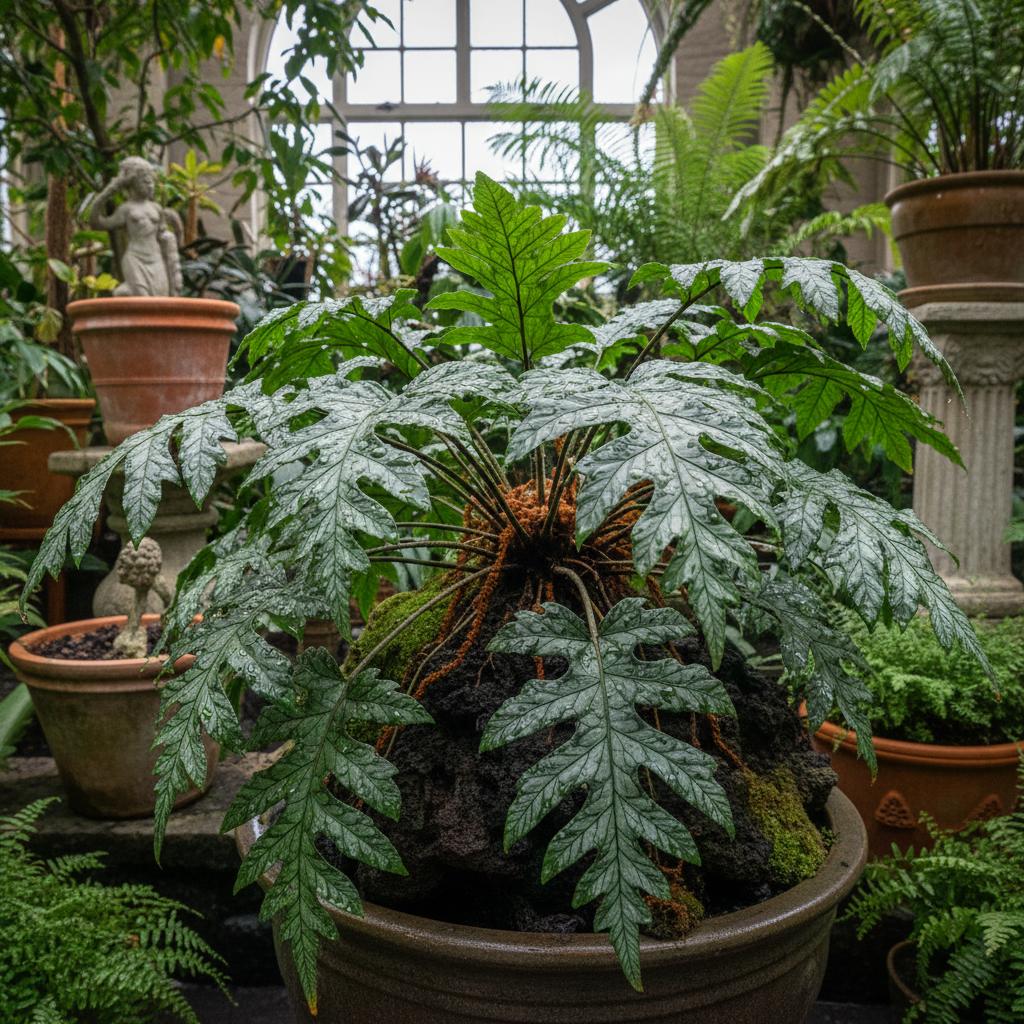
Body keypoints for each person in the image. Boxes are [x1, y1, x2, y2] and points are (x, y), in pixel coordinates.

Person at [87, 157, 183, 296]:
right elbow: (97, 222)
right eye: (144, 180)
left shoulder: (156, 208)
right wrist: (112, 189)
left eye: (151, 180)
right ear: (131, 183)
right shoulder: (126, 209)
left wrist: (174, 240)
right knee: (142, 302)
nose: (150, 184)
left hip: (156, 259)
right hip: (135, 259)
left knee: (161, 299)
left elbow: (163, 235)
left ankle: (121, 295)